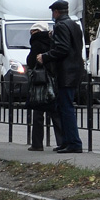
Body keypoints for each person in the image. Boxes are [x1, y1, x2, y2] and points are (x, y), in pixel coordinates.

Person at [37, 0, 84, 153]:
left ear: (56, 12)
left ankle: (73, 143)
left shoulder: (61, 25)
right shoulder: (74, 25)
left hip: (66, 72)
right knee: (64, 108)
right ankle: (67, 142)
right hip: (74, 70)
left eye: (53, 12)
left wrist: (45, 56)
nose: (53, 15)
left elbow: (63, 49)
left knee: (66, 109)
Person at [25, 22, 63, 151]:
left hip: (40, 80)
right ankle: (61, 142)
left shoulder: (36, 42)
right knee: (55, 111)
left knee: (38, 111)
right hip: (52, 78)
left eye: (32, 31)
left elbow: (31, 60)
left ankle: (37, 143)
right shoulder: (52, 40)